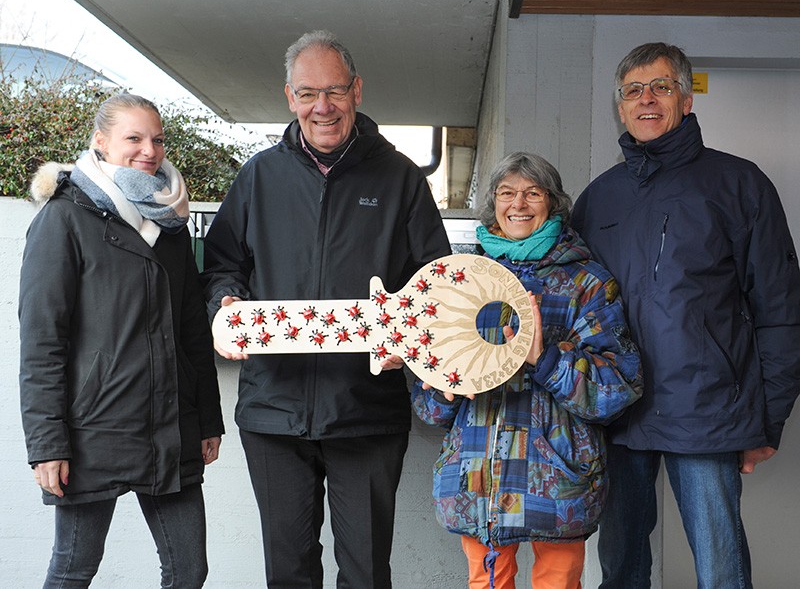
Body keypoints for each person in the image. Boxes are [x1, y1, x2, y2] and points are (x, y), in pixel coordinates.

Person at [201, 29, 451, 588]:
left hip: (366, 410)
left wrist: (407, 343)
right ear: (289, 97)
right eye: (309, 93)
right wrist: (223, 308)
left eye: (335, 91)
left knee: (364, 573)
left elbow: (435, 286)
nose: (323, 107)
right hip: (273, 411)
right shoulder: (258, 176)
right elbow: (221, 266)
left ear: (357, 91)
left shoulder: (402, 179)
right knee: (288, 572)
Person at [572, 42, 800, 588]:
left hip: (708, 412)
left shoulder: (740, 185)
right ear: (620, 106)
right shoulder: (598, 198)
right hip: (617, 412)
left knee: (721, 570)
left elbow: (780, 306)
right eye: (633, 90)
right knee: (622, 566)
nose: (646, 100)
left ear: (685, 100)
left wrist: (770, 418)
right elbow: (569, 304)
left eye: (661, 87)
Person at [408, 152, 643, 589]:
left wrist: (545, 359)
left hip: (558, 475)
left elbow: (617, 386)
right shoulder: (462, 279)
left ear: (552, 204)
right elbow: (430, 407)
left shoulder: (588, 283)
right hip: (477, 475)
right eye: (506, 193)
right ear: (492, 204)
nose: (519, 203)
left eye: (533, 193)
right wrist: (442, 389)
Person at [19, 93, 225, 588]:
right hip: (94, 429)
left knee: (189, 570)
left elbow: (193, 332)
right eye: (133, 138)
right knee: (73, 570)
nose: (148, 150)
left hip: (170, 424)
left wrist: (206, 418)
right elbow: (42, 340)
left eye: (156, 139)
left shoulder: (170, 225)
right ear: (101, 142)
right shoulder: (63, 219)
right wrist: (47, 444)